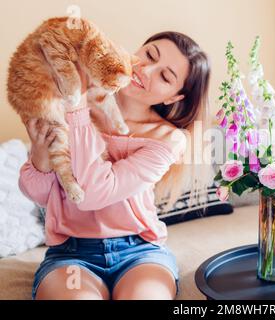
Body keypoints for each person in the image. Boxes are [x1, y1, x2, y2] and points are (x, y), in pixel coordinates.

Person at [18, 31, 211, 300]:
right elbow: (40, 195)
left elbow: (93, 194)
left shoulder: (167, 139)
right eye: (149, 55)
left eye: (165, 77)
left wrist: (77, 111)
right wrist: (40, 156)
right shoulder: (71, 105)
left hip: (140, 253)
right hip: (71, 255)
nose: (146, 70)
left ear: (174, 98)